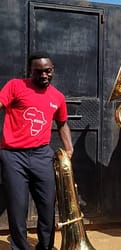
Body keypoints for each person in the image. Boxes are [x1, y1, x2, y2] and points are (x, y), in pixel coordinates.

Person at [0, 51, 74, 250]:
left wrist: (69, 147)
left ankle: (45, 246)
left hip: (42, 155)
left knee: (47, 206)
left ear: (53, 70)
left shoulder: (57, 97)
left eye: (48, 71)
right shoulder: (16, 85)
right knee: (17, 208)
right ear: (30, 71)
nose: (44, 75)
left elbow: (62, 123)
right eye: (38, 72)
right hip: (13, 156)